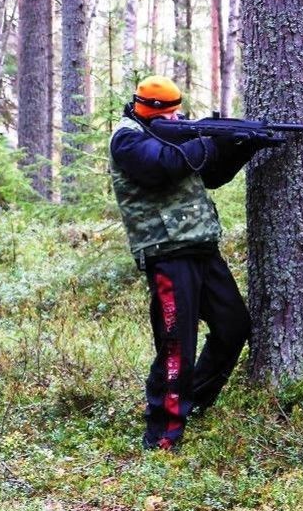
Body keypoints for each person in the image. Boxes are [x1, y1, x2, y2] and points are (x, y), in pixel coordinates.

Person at [109, 75, 265, 451]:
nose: (176, 119)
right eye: (168, 114)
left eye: (178, 113)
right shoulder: (127, 138)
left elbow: (211, 174)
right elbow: (162, 166)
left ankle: (191, 403)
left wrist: (242, 144)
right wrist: (209, 139)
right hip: (166, 254)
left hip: (201, 249)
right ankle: (163, 434)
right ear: (149, 111)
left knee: (234, 327)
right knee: (177, 345)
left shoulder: (173, 136)